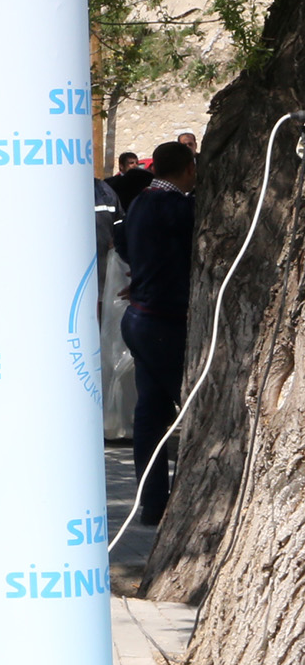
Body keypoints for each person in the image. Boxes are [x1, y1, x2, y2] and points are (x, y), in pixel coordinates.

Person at [113, 139, 197, 526]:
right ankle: (184, 502)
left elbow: (124, 242)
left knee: (150, 415)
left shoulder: (140, 203)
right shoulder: (178, 207)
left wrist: (142, 273)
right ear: (189, 169)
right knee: (192, 407)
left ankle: (152, 503)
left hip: (140, 317)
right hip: (163, 321)